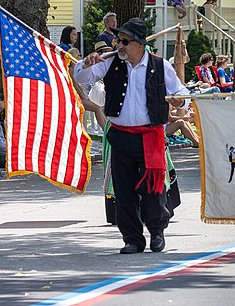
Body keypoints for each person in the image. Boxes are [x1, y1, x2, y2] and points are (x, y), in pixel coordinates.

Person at [74, 17, 190, 254]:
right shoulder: (110, 62)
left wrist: (180, 100)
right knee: (124, 191)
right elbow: (80, 78)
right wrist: (86, 63)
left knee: (153, 190)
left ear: (139, 44)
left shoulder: (160, 65)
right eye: (118, 40)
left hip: (150, 135)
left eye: (124, 41)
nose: (119, 45)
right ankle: (133, 239)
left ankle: (157, 233)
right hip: (120, 135)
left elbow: (181, 92)